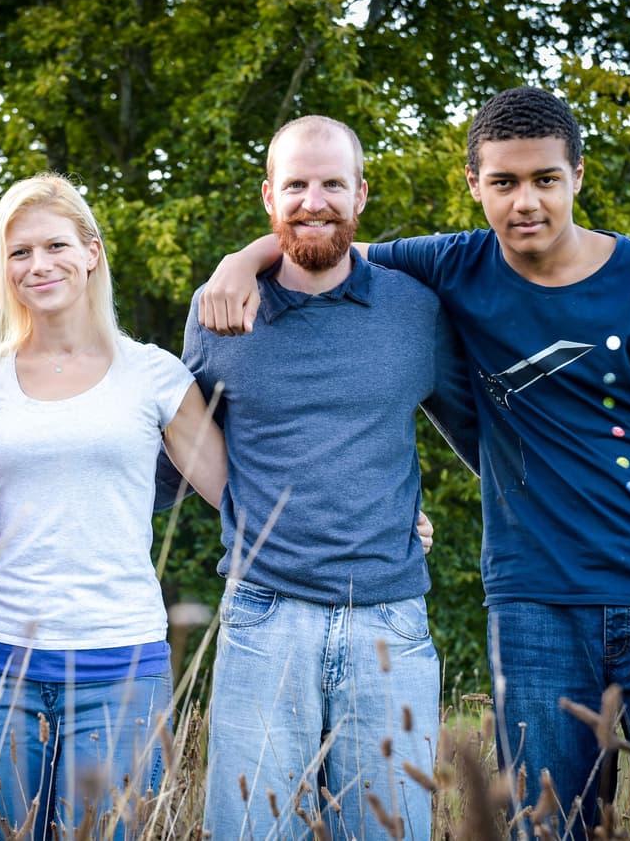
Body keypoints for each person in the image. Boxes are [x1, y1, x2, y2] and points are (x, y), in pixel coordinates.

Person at [200, 87, 630, 838]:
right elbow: (326, 245)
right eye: (504, 183)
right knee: (547, 827)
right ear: (474, 186)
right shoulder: (453, 266)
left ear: (578, 176)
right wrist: (242, 259)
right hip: (534, 606)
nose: (526, 202)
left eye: (545, 179)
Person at [182, 115, 476, 839]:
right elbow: (184, 441)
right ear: (269, 197)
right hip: (262, 615)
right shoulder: (220, 310)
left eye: (332, 184)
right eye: (297, 185)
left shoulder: (416, 308)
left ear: (361, 194)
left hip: (389, 620)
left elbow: (483, 435)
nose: (314, 200)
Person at [0, 173, 228, 840]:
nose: (38, 265)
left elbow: (238, 494)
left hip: (121, 665)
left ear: (91, 252)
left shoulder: (155, 373)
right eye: (19, 253)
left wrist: (380, 525)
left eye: (55, 246)